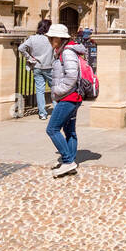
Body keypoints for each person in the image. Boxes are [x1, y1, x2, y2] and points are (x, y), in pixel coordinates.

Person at [45, 24, 85, 178]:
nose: (50, 40)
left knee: (52, 129)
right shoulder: (63, 51)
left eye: (52, 38)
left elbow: (71, 76)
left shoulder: (67, 52)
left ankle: (68, 161)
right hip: (73, 96)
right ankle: (70, 162)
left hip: (68, 97)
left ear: (60, 38)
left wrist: (58, 90)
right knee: (70, 131)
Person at [19, 29, 54, 120]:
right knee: (55, 89)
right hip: (49, 67)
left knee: (40, 91)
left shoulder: (32, 38)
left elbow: (20, 48)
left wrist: (29, 58)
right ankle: (57, 111)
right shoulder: (51, 38)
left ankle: (42, 113)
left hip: (37, 66)